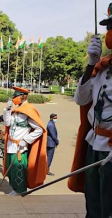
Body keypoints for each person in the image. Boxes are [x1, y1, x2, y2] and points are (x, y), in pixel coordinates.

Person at [68, 4, 112, 217]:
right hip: (95, 146)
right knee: (93, 205)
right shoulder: (102, 68)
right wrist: (91, 63)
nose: (109, 33)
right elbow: (81, 98)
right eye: (109, 27)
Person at [3, 87, 47, 196]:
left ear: (22, 96)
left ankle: (20, 191)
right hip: (10, 145)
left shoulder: (29, 110)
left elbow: (40, 129)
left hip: (20, 147)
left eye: (15, 97)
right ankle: (14, 188)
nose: (14, 99)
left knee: (19, 169)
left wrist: (26, 140)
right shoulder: (16, 110)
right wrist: (7, 109)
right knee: (11, 168)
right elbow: (7, 123)